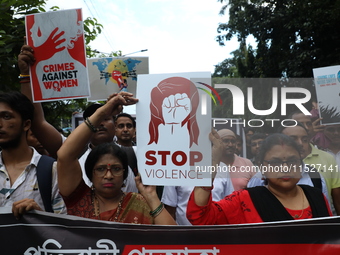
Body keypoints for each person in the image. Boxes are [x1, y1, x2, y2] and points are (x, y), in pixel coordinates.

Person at [18, 45, 137, 193]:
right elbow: (37, 122)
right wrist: (26, 76)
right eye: (94, 118)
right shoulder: (72, 153)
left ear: (115, 124)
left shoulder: (136, 154)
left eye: (106, 118)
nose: (99, 122)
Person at [57, 92, 176, 225]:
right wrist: (103, 111)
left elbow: (172, 237)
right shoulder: (79, 199)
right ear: (90, 174)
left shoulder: (140, 202)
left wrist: (152, 197)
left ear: (125, 175)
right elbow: (64, 155)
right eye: (101, 169)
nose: (108, 175)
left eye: (116, 169)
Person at [187, 132, 332, 225]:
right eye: (275, 162)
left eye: (293, 161)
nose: (285, 168)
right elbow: (199, 217)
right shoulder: (244, 199)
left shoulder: (316, 196)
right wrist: (212, 163)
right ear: (262, 167)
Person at [0, 91, 66, 218]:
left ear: (26, 124)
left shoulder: (52, 171)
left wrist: (39, 216)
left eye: (6, 117)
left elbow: (64, 229)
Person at [279, 123, 340, 215]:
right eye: (293, 139)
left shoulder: (315, 176)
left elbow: (323, 210)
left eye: (305, 140)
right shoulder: (262, 178)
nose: (300, 143)